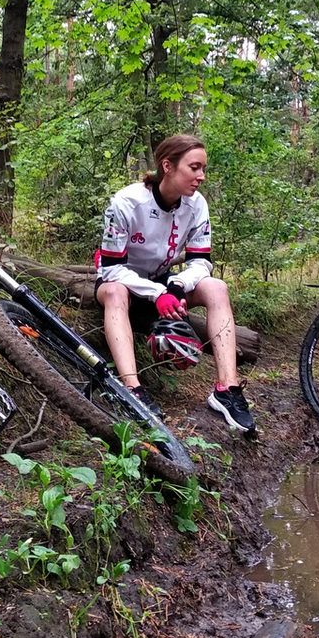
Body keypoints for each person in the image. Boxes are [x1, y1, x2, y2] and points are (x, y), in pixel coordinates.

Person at [95, 134, 256, 434]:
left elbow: (201, 261)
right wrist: (157, 293)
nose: (201, 176)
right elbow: (111, 269)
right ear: (167, 166)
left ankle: (227, 390)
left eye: (203, 168)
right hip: (122, 282)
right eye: (194, 168)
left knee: (217, 287)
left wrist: (178, 285)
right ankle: (132, 389)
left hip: (164, 280)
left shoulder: (196, 204)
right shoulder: (126, 202)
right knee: (116, 292)